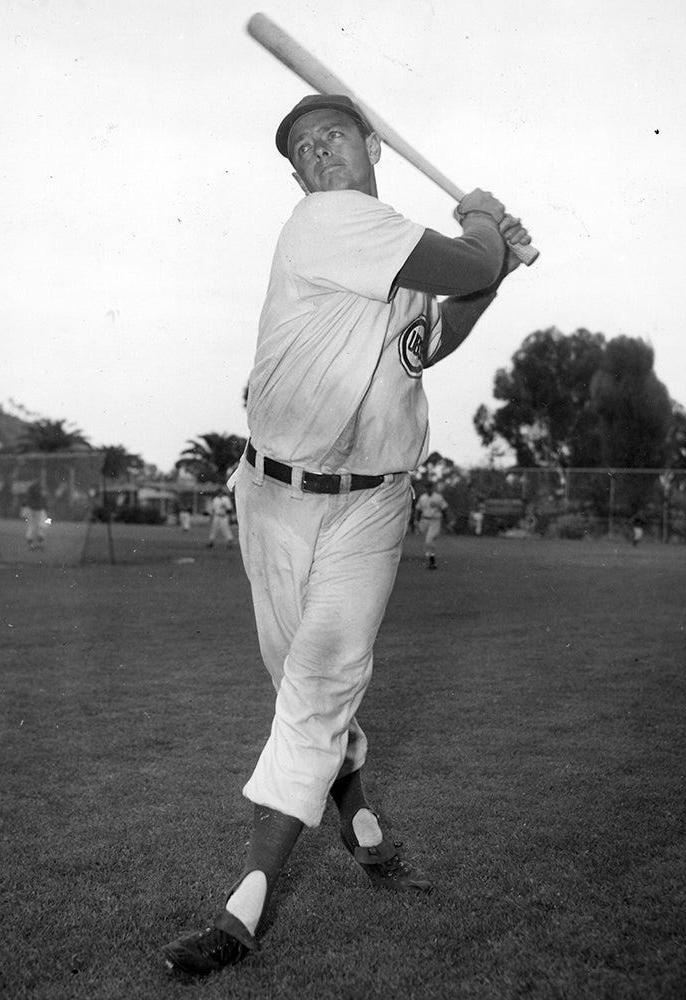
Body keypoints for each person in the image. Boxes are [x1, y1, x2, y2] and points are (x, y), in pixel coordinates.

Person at [163, 93, 533, 976]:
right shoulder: (328, 223)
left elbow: (432, 337)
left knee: (320, 682)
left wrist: (496, 268)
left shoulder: (396, 258)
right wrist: (487, 229)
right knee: (299, 677)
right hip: (275, 497)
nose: (319, 151)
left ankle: (243, 907)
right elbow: (462, 257)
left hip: (374, 504)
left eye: (334, 135)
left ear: (372, 146)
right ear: (298, 178)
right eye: (303, 147)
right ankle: (358, 809)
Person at [414, 481, 449, 569]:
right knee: (427, 541)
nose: (428, 489)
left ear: (432, 488)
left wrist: (447, 521)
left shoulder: (438, 497)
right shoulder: (423, 497)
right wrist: (416, 520)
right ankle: (430, 556)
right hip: (424, 520)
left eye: (429, 487)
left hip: (435, 521)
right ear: (425, 488)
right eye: (426, 487)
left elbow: (444, 508)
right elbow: (418, 509)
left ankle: (432, 561)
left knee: (429, 540)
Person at [24, 480, 47, 550]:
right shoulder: (39, 490)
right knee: (40, 526)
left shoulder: (31, 490)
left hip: (31, 508)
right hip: (38, 509)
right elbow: (42, 498)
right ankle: (39, 544)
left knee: (31, 526)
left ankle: (31, 545)